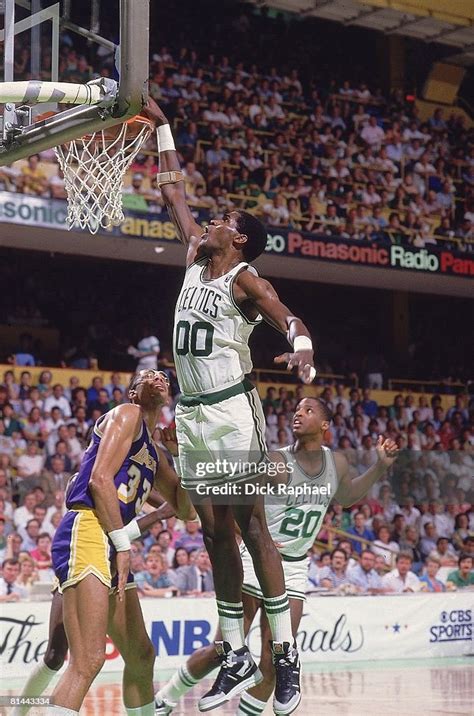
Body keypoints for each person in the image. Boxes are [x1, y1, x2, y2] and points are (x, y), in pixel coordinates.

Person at [145, 96, 317, 714]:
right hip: (192, 414)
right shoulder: (196, 252)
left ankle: (286, 655)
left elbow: (286, 313)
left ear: (238, 238)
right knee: (214, 530)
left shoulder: (244, 278)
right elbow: (173, 193)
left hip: (230, 412)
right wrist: (162, 127)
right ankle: (236, 650)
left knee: (249, 528)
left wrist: (301, 349)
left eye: (224, 218)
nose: (211, 219)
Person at [155, 398, 398, 716]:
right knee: (223, 650)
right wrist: (181, 456)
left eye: (308, 410)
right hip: (259, 561)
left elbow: (348, 496)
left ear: (325, 425)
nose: (298, 413)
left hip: (296, 566)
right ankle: (166, 699)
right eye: (297, 409)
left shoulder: (336, 463)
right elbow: (230, 502)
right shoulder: (273, 462)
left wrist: (379, 466)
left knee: (275, 658)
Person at [48, 369, 195, 715]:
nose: (158, 377)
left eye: (163, 375)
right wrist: (124, 545)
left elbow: (186, 509)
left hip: (110, 541)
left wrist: (184, 458)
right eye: (148, 376)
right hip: (89, 528)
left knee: (141, 653)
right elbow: (99, 481)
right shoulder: (127, 414)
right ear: (133, 393)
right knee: (87, 659)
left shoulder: (156, 453)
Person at [12, 500, 181, 716]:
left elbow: (173, 499)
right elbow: (111, 533)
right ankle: (18, 712)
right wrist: (158, 514)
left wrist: (182, 500)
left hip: (112, 564)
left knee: (142, 655)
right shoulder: (96, 479)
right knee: (57, 656)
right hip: (84, 558)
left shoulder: (142, 473)